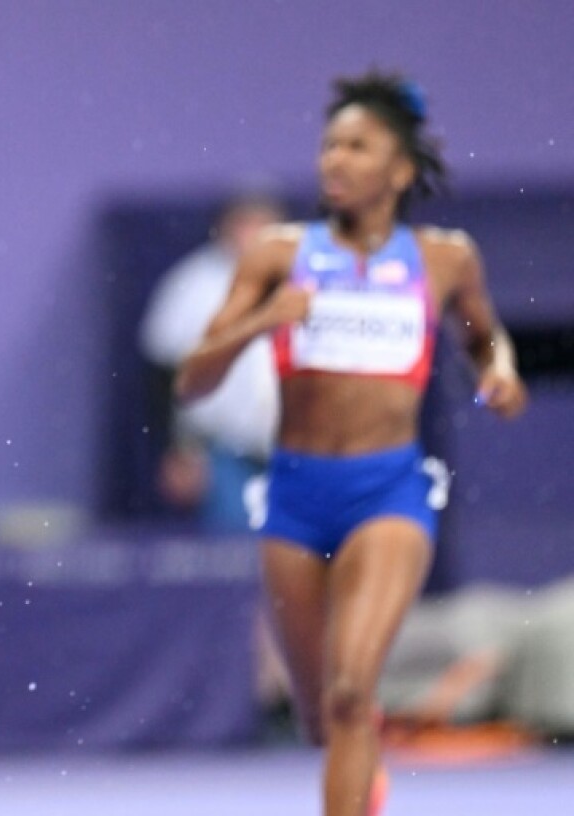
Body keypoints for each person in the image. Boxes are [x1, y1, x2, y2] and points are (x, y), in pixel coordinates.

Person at [175, 71, 527, 816]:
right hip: (296, 498)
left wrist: (500, 373)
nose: (334, 160)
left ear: (399, 170)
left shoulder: (445, 259)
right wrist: (261, 321)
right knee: (318, 719)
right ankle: (359, 769)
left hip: (390, 492)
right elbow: (192, 383)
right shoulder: (276, 253)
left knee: (349, 691)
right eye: (330, 145)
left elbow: (485, 339)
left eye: (357, 147)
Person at [138, 192, 284, 532]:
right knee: (235, 561)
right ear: (225, 228)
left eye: (264, 223)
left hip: (296, 451)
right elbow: (162, 374)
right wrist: (177, 450)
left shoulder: (303, 279)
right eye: (246, 223)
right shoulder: (193, 285)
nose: (255, 234)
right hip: (223, 451)